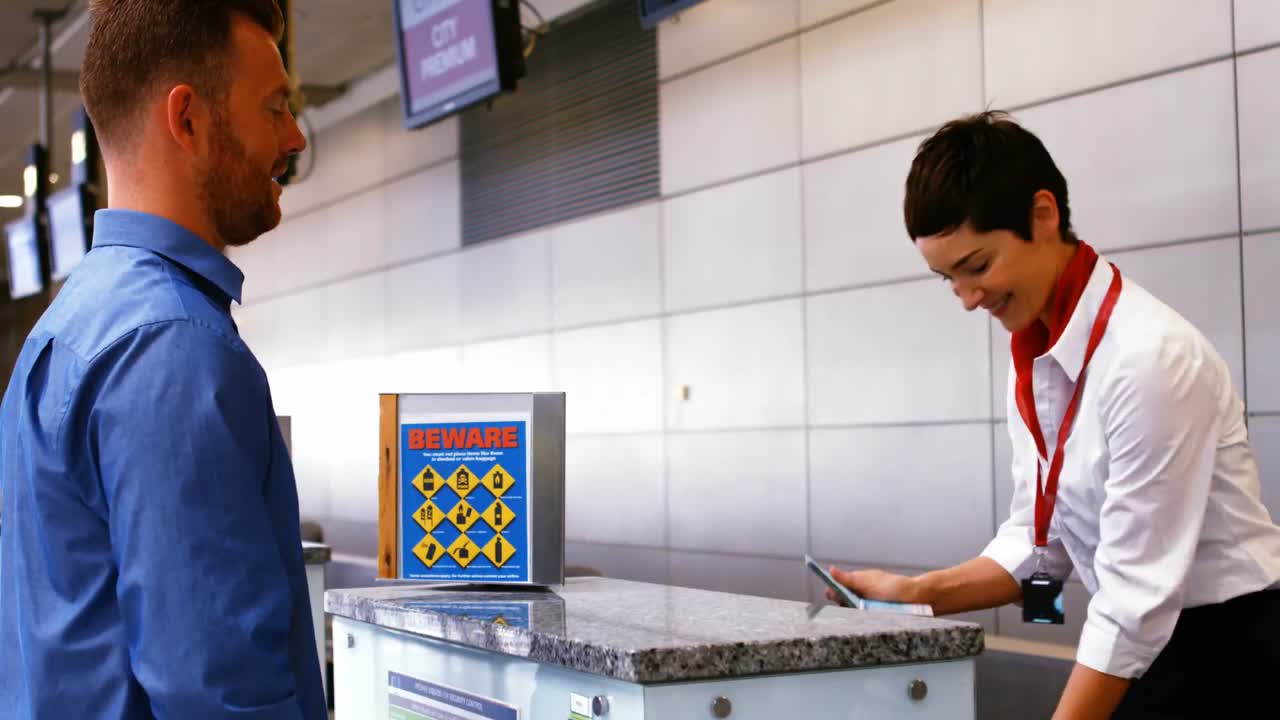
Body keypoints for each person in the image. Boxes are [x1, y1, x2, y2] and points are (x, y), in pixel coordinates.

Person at [829, 111, 1280, 719]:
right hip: (1152, 642)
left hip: (1227, 650)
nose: (967, 299)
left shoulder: (1149, 360)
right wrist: (918, 594)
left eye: (978, 266)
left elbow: (1133, 603)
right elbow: (1040, 538)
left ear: (1042, 215)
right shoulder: (1039, 358)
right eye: (948, 279)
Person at [0, 1, 323, 718]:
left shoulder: (67, 328)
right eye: (274, 107)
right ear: (188, 119)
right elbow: (218, 694)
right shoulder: (172, 347)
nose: (295, 136)